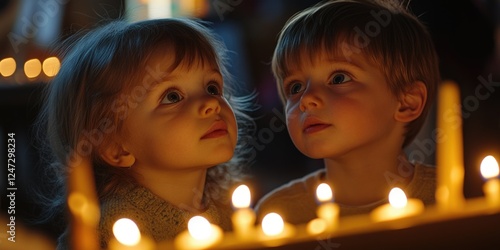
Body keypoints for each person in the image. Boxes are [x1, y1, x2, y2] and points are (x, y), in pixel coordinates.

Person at [35, 18, 254, 248]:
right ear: (116, 147)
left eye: (212, 87)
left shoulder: (231, 215)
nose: (211, 103)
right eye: (172, 96)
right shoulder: (113, 229)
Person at [255, 0, 440, 224]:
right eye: (295, 87)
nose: (307, 100)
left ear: (406, 103)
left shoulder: (451, 197)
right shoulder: (278, 216)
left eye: (339, 78)